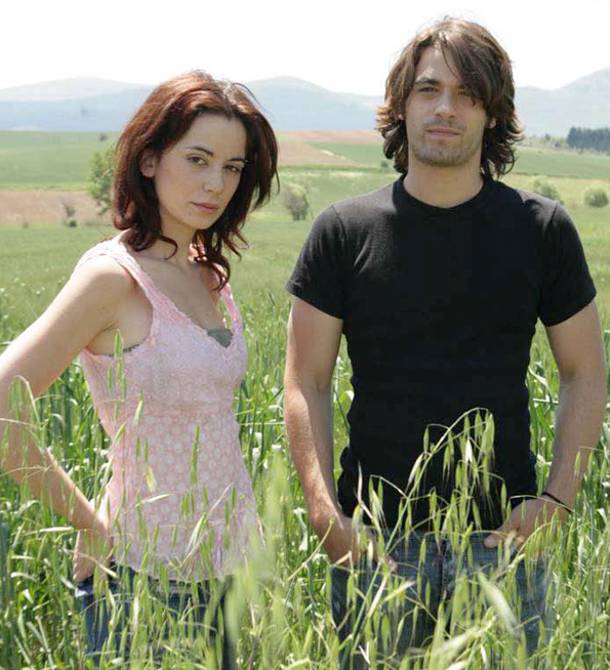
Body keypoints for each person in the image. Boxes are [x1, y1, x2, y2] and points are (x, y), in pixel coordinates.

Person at [284, 17, 607, 668]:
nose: (445, 109)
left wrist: (556, 501)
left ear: (493, 113)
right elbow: (305, 381)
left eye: (468, 94)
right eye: (428, 89)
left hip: (500, 545)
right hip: (376, 546)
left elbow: (585, 373)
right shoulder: (342, 231)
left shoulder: (542, 229)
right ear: (401, 104)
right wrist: (325, 515)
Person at [0, 70, 278, 666]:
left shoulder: (207, 271)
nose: (216, 183)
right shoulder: (112, 278)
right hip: (141, 577)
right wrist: (88, 523)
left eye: (232, 167)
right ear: (149, 160)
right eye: (197, 159)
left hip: (226, 571)